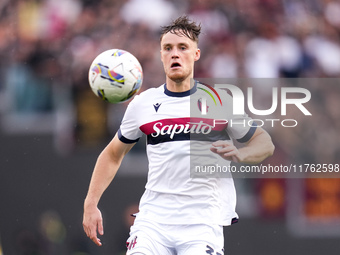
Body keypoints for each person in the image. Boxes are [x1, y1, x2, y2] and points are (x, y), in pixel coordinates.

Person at [83, 16, 275, 254]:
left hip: (202, 222)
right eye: (168, 48)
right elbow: (112, 154)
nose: (175, 54)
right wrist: (91, 203)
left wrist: (242, 153)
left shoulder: (220, 101)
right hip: (153, 221)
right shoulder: (143, 104)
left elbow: (264, 143)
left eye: (182, 48)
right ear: (161, 55)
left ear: (196, 54)